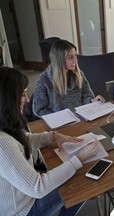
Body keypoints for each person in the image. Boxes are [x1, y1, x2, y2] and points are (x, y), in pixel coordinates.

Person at [0, 66, 99, 215]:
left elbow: (23, 138)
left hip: (25, 193)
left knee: (66, 169)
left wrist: (53, 136)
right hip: (24, 209)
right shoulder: (2, 143)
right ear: (7, 99)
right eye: (23, 94)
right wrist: (79, 158)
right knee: (80, 181)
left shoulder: (5, 125)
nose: (27, 100)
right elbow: (38, 188)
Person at [33, 39, 105, 117]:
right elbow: (39, 110)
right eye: (70, 57)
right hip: (58, 123)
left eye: (75, 56)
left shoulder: (78, 74)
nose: (76, 60)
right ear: (59, 60)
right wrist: (60, 117)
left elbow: (86, 95)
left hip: (80, 118)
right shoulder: (43, 80)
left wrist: (92, 101)